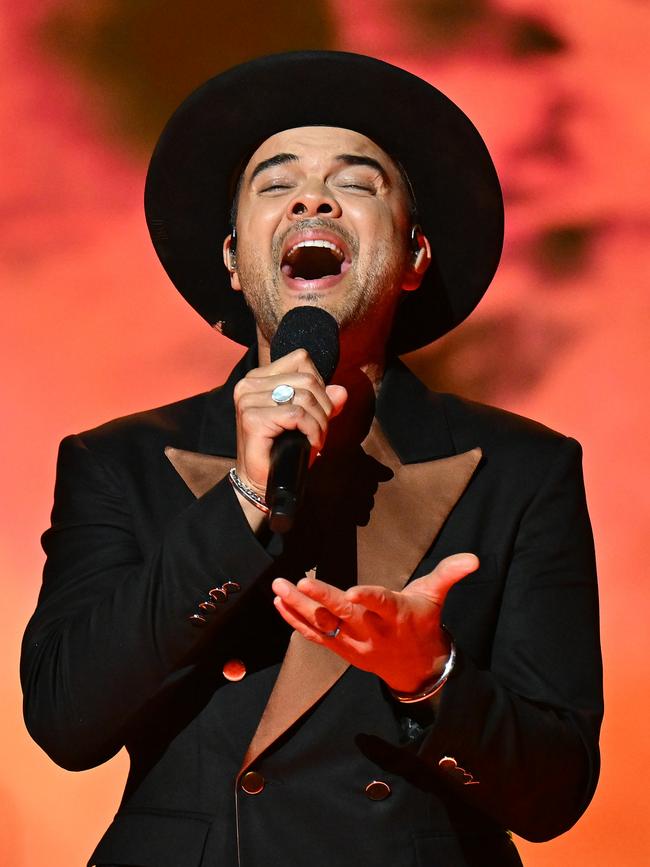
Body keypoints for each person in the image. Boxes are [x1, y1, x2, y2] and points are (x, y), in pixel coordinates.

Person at [21, 51, 603, 867]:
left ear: (412, 257)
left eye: (358, 182)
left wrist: (428, 676)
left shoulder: (522, 470)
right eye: (275, 180)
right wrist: (240, 503)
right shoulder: (120, 461)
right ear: (233, 258)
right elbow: (65, 721)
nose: (313, 196)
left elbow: (557, 792)